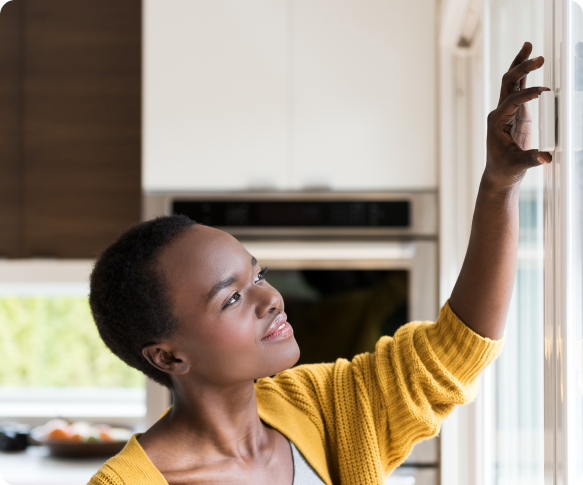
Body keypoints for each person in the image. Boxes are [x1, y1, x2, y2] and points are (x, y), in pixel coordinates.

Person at [87, 42, 551, 485]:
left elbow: (456, 349)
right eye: (231, 297)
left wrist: (500, 183)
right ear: (169, 356)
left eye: (259, 275)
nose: (270, 299)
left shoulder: (319, 405)